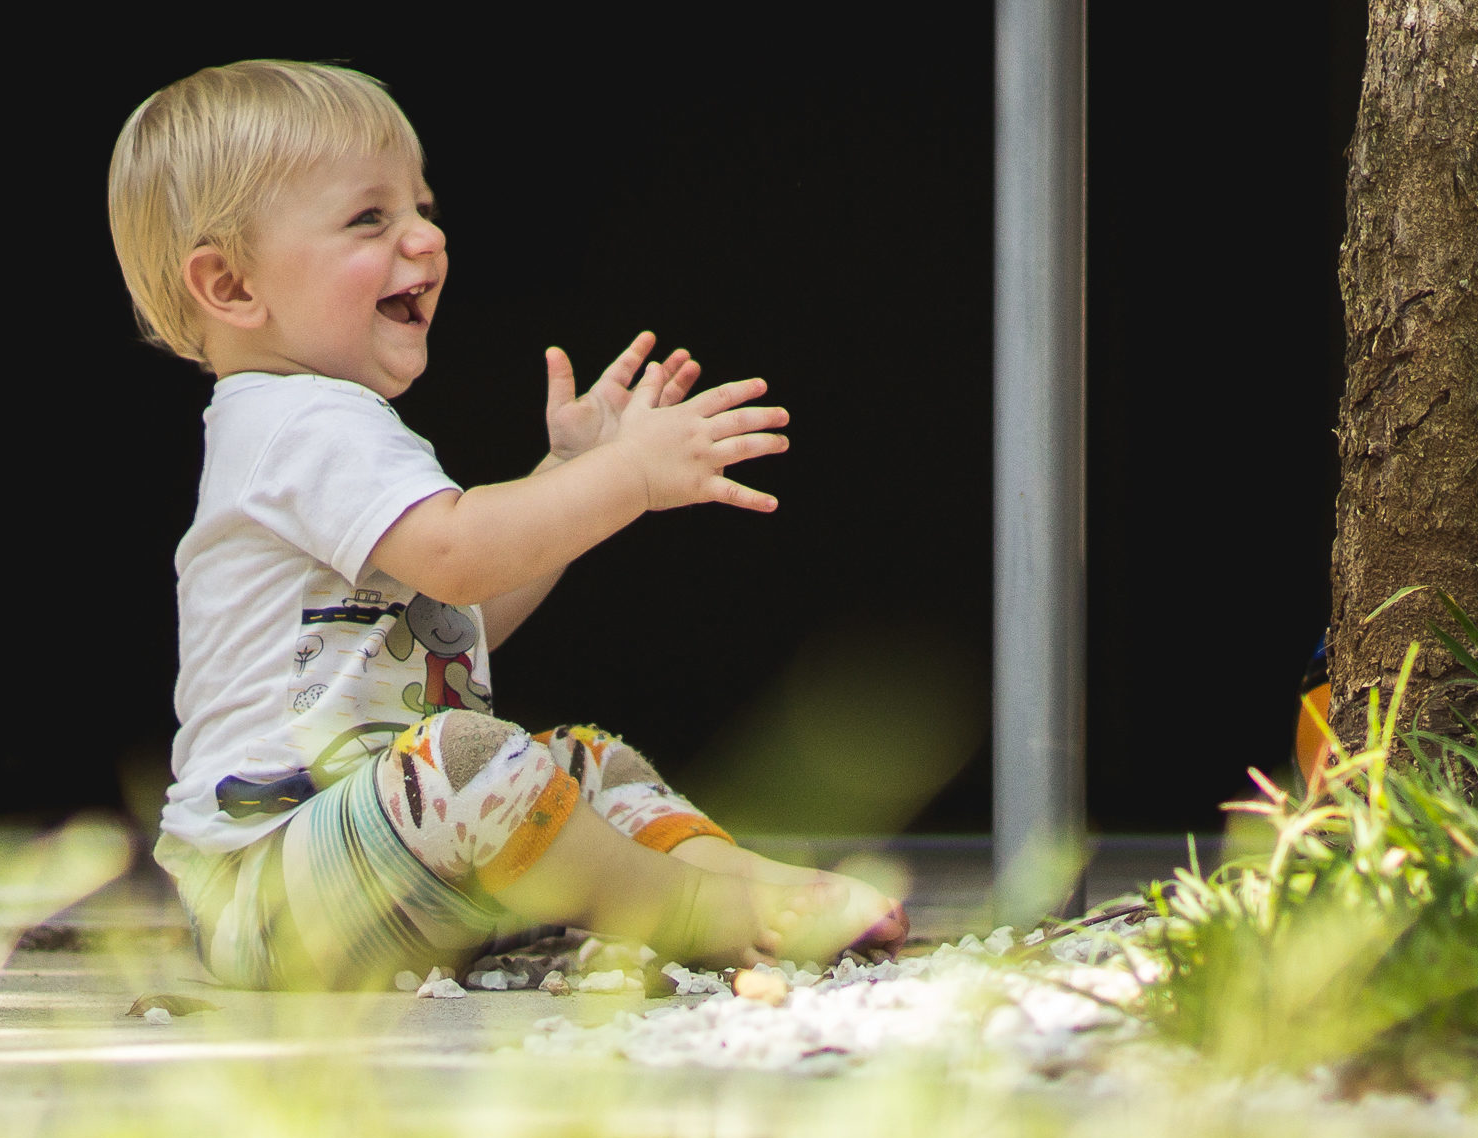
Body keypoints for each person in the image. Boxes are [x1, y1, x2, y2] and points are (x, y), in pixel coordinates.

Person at [107, 59, 907, 990]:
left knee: (582, 760)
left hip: (391, 862)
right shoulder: (296, 424)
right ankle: (693, 910)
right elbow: (460, 554)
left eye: (424, 207)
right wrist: (624, 478)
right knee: (464, 762)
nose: (426, 239)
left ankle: (736, 879)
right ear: (233, 286)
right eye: (371, 218)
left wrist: (566, 473)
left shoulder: (323, 426)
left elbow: (459, 618)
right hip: (277, 893)